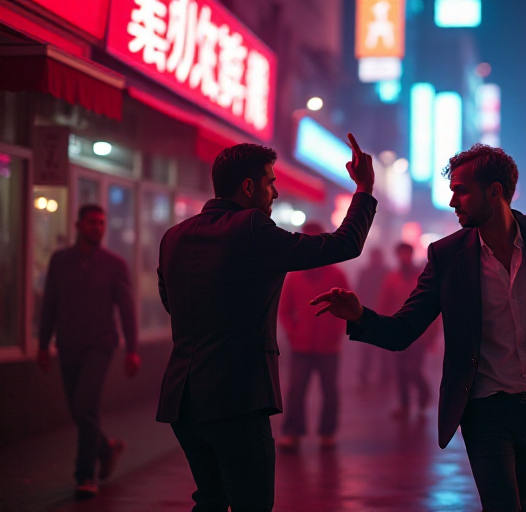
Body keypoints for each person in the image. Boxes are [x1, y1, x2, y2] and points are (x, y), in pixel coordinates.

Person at [312, 144, 526, 512]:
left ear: (494, 191)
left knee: (522, 502)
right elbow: (404, 329)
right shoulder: (447, 256)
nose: (453, 202)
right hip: (484, 409)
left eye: (461, 191)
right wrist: (359, 316)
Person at [156, 136, 376, 512]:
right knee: (252, 504)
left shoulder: (173, 236)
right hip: (237, 398)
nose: (274, 192)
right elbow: (344, 244)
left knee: (210, 499)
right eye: (270, 182)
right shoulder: (251, 227)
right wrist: (364, 189)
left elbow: (171, 305)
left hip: (183, 400)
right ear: (248, 186)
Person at [37, 204, 141, 498]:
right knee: (78, 411)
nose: (97, 227)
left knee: (86, 408)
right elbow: (50, 304)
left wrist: (132, 349)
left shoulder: (114, 264)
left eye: (101, 223)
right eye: (92, 222)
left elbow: (127, 309)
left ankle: (85, 476)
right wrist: (43, 344)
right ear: (78, 225)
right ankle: (106, 449)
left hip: (100, 345)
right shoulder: (60, 261)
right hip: (68, 344)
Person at [277, 221, 353, 450]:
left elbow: (347, 307)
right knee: (296, 390)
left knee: (329, 391)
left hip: (328, 346)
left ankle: (327, 432)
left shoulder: (336, 274)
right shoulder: (295, 276)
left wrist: (336, 333)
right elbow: (284, 310)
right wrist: (293, 333)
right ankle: (294, 432)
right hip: (301, 345)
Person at [378, 242, 439, 419]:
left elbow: (434, 306)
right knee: (399, 370)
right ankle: (404, 405)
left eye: (407, 254)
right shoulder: (392, 278)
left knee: (412, 369)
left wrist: (432, 335)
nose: (404, 257)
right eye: (401, 254)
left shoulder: (423, 277)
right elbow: (384, 303)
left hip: (419, 333)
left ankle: (424, 392)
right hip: (398, 330)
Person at [354, 247, 391, 388]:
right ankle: (370, 374)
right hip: (373, 313)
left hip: (376, 312)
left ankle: (381, 373)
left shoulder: (371, 272)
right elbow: (359, 292)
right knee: (371, 347)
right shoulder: (373, 272)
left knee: (375, 347)